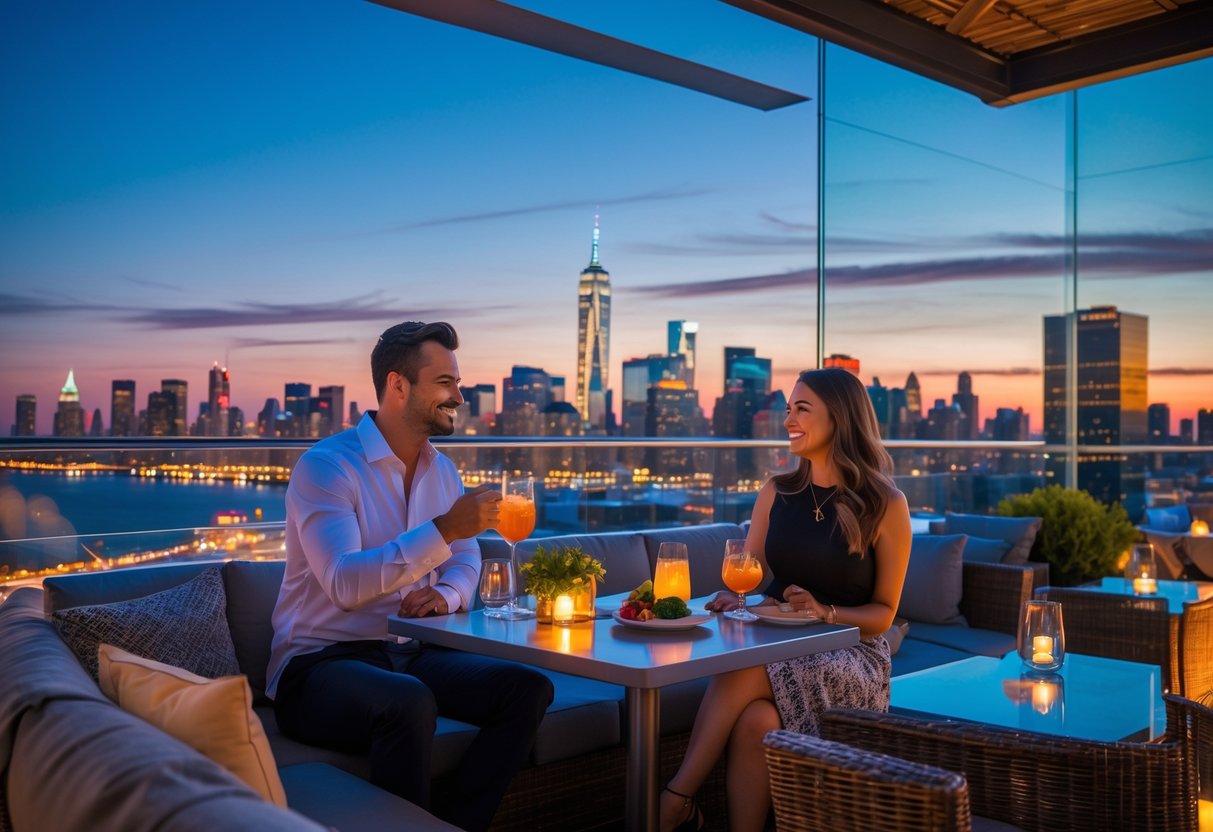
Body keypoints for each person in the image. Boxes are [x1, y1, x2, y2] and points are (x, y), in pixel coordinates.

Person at [266, 321, 553, 832]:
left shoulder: (442, 471)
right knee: (408, 702)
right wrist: (444, 528)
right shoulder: (328, 467)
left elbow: (465, 560)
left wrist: (446, 593)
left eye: (457, 383)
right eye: (445, 383)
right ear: (398, 385)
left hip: (409, 654)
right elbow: (342, 584)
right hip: (318, 666)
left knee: (527, 688)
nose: (459, 396)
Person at [660, 367, 912, 832]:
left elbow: (884, 614)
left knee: (746, 664)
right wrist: (733, 593)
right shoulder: (776, 492)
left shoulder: (885, 503)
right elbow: (751, 573)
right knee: (756, 720)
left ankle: (676, 798)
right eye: (788, 408)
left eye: (802, 409)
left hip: (853, 654)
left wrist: (825, 611)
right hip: (780, 643)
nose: (788, 418)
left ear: (838, 418)